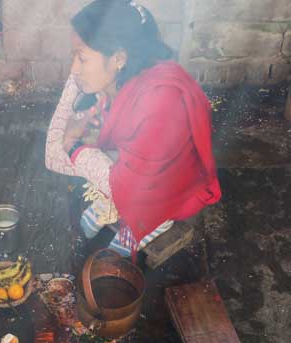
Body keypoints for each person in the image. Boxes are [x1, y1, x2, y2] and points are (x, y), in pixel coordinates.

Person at [45, 0, 222, 258]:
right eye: (74, 56)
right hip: (140, 170)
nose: (74, 69)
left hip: (165, 190)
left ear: (118, 58)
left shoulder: (160, 103)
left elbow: (56, 154)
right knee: (89, 144)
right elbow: (53, 156)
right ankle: (116, 206)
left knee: (79, 150)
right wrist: (77, 82)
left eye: (81, 58)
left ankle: (152, 220)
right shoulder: (122, 77)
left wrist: (72, 143)